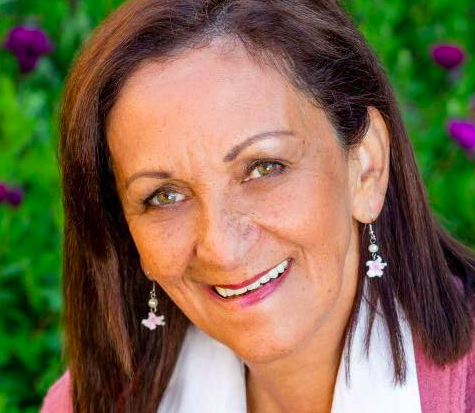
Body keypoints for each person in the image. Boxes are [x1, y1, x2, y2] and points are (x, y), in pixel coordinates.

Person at [40, 0, 475, 412]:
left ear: (366, 166)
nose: (221, 248)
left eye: (264, 168)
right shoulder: (89, 403)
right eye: (165, 196)